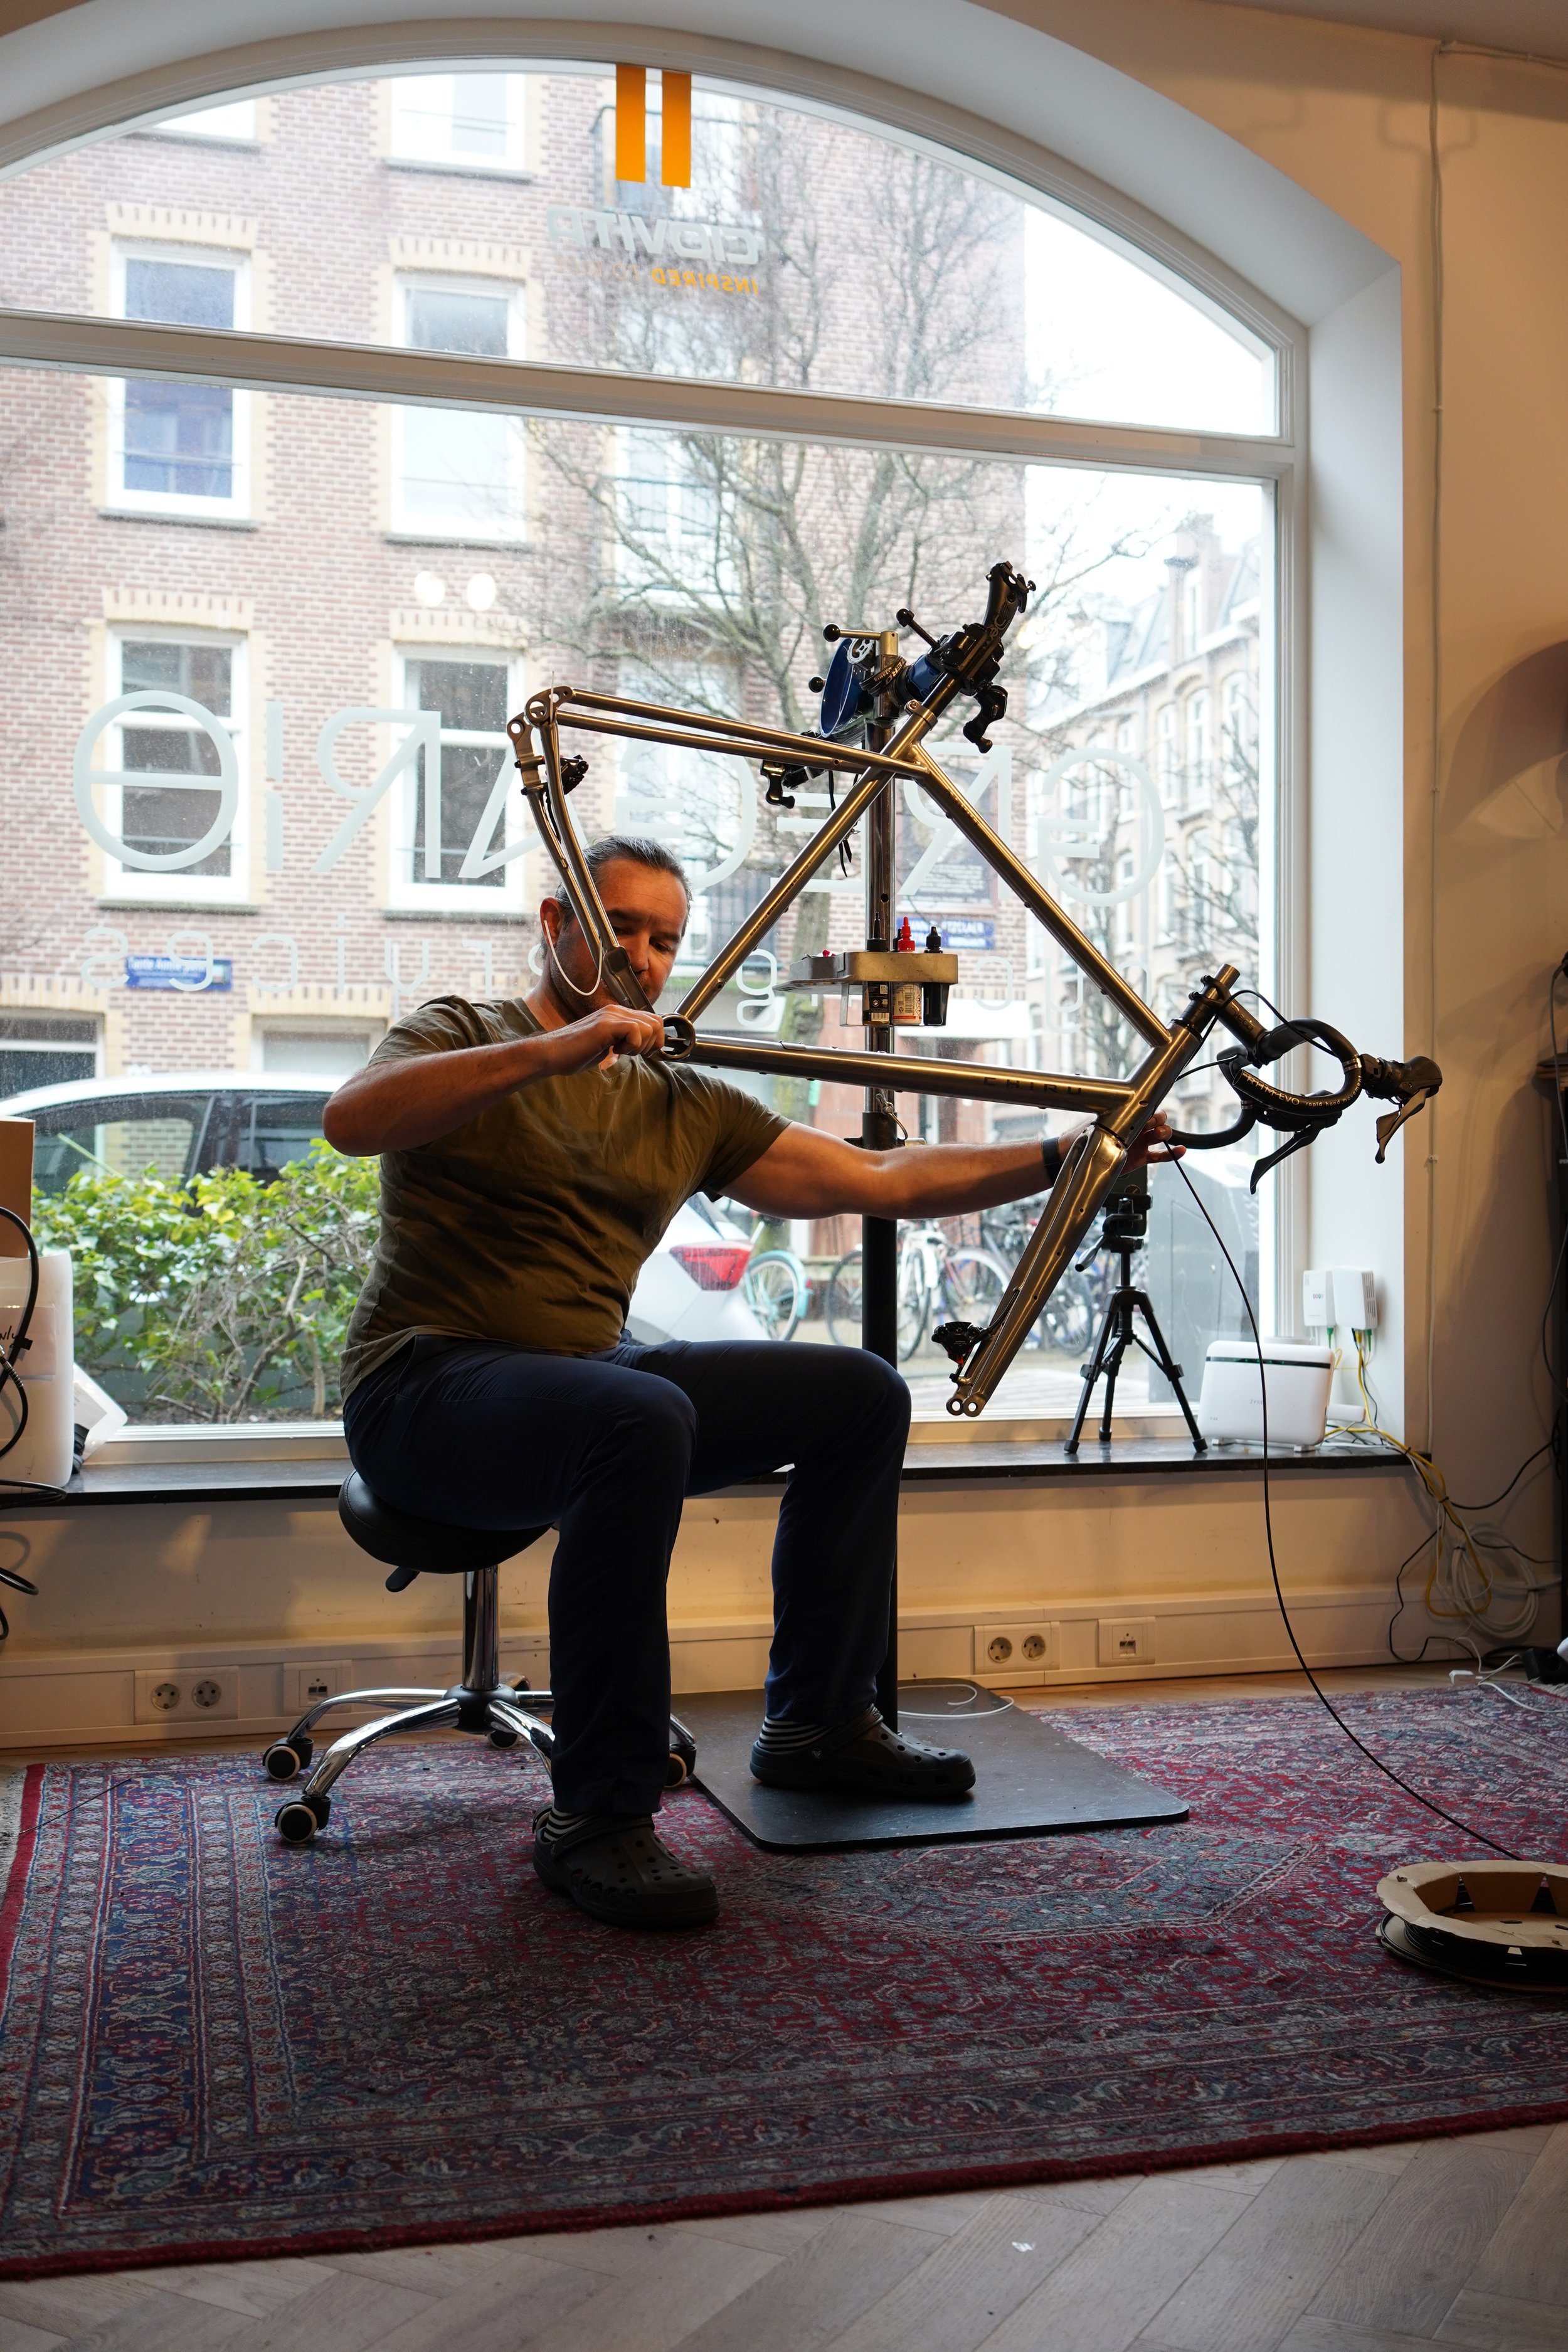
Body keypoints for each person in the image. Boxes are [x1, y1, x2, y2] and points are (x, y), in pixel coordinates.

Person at [324, 835, 1177, 1931]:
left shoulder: (680, 1102)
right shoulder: (464, 1032)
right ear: (556, 926)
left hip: (591, 1382)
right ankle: (599, 1814)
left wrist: (1070, 1155)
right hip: (422, 1387)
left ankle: (820, 1724)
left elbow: (876, 1177)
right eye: (619, 927)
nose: (642, 954)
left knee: (861, 1394)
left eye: (664, 939)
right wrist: (559, 1049)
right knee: (640, 1412)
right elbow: (354, 1119)